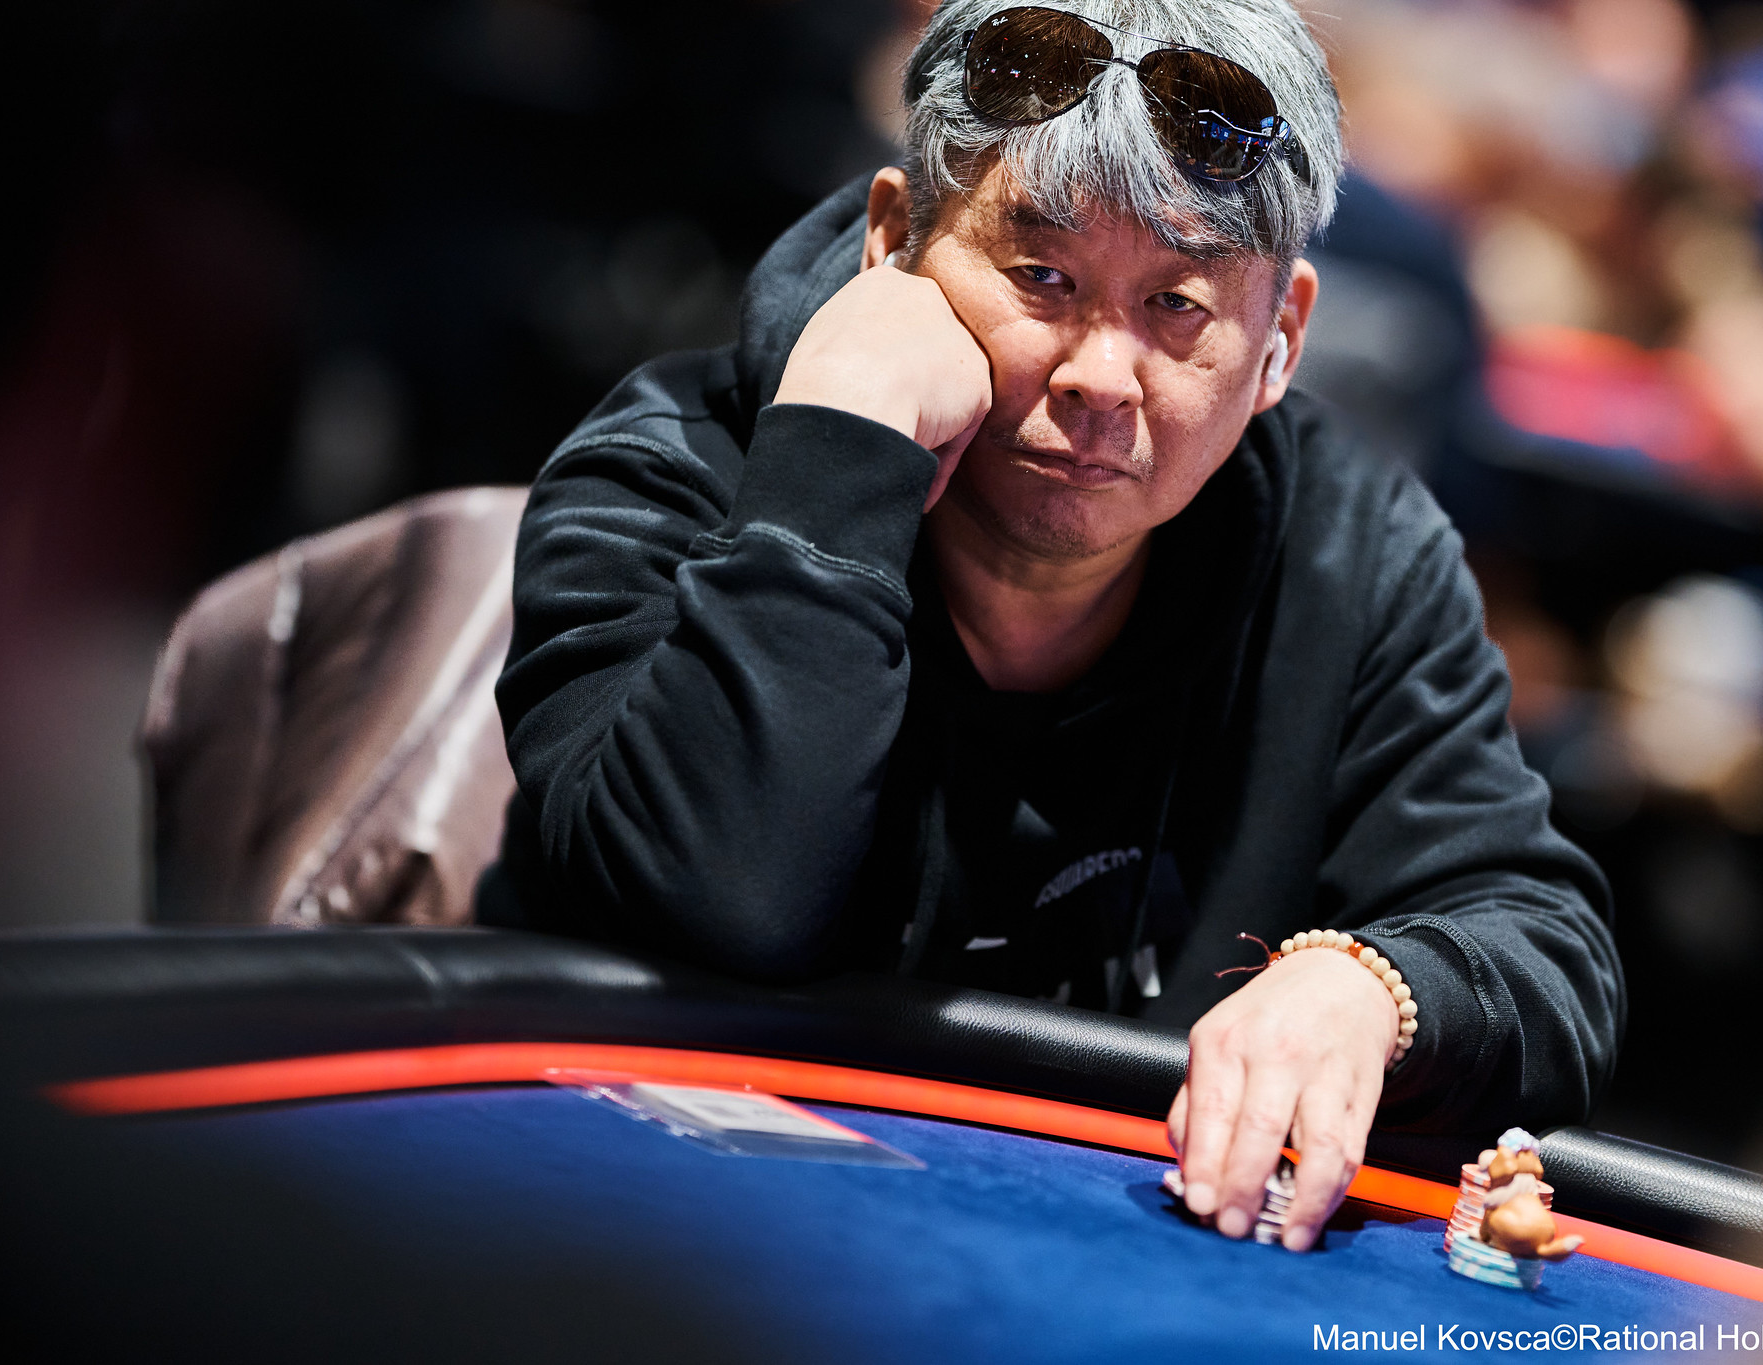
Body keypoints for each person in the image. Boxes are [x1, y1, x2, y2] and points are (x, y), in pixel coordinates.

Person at [487, 0, 1622, 1253]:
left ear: (1282, 339)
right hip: (641, 1236)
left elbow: (1545, 951)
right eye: (1041, 277)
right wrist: (833, 466)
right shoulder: (668, 475)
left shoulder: (1352, 551)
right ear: (891, 245)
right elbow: (719, 905)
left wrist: (1375, 988)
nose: (1099, 374)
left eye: (1177, 303)